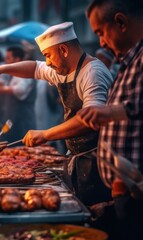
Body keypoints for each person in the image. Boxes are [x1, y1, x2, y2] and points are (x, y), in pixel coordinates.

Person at [0, 22, 114, 217]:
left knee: (95, 217)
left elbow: (90, 119)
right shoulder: (64, 69)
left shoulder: (93, 73)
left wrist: (46, 134)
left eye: (48, 55)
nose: (48, 62)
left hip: (99, 161)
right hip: (79, 158)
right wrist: (0, 69)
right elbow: (34, 68)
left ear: (63, 50)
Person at [77, 0, 143, 239]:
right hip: (123, 191)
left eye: (100, 33)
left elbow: (128, 108)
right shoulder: (128, 62)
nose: (101, 43)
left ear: (120, 22)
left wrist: (112, 112)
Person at [0, 46, 36, 144]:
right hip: (12, 120)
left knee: (22, 151)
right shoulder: (13, 74)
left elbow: (20, 90)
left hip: (22, 122)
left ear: (17, 59)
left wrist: (2, 89)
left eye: (8, 58)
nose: (5, 61)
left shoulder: (25, 73)